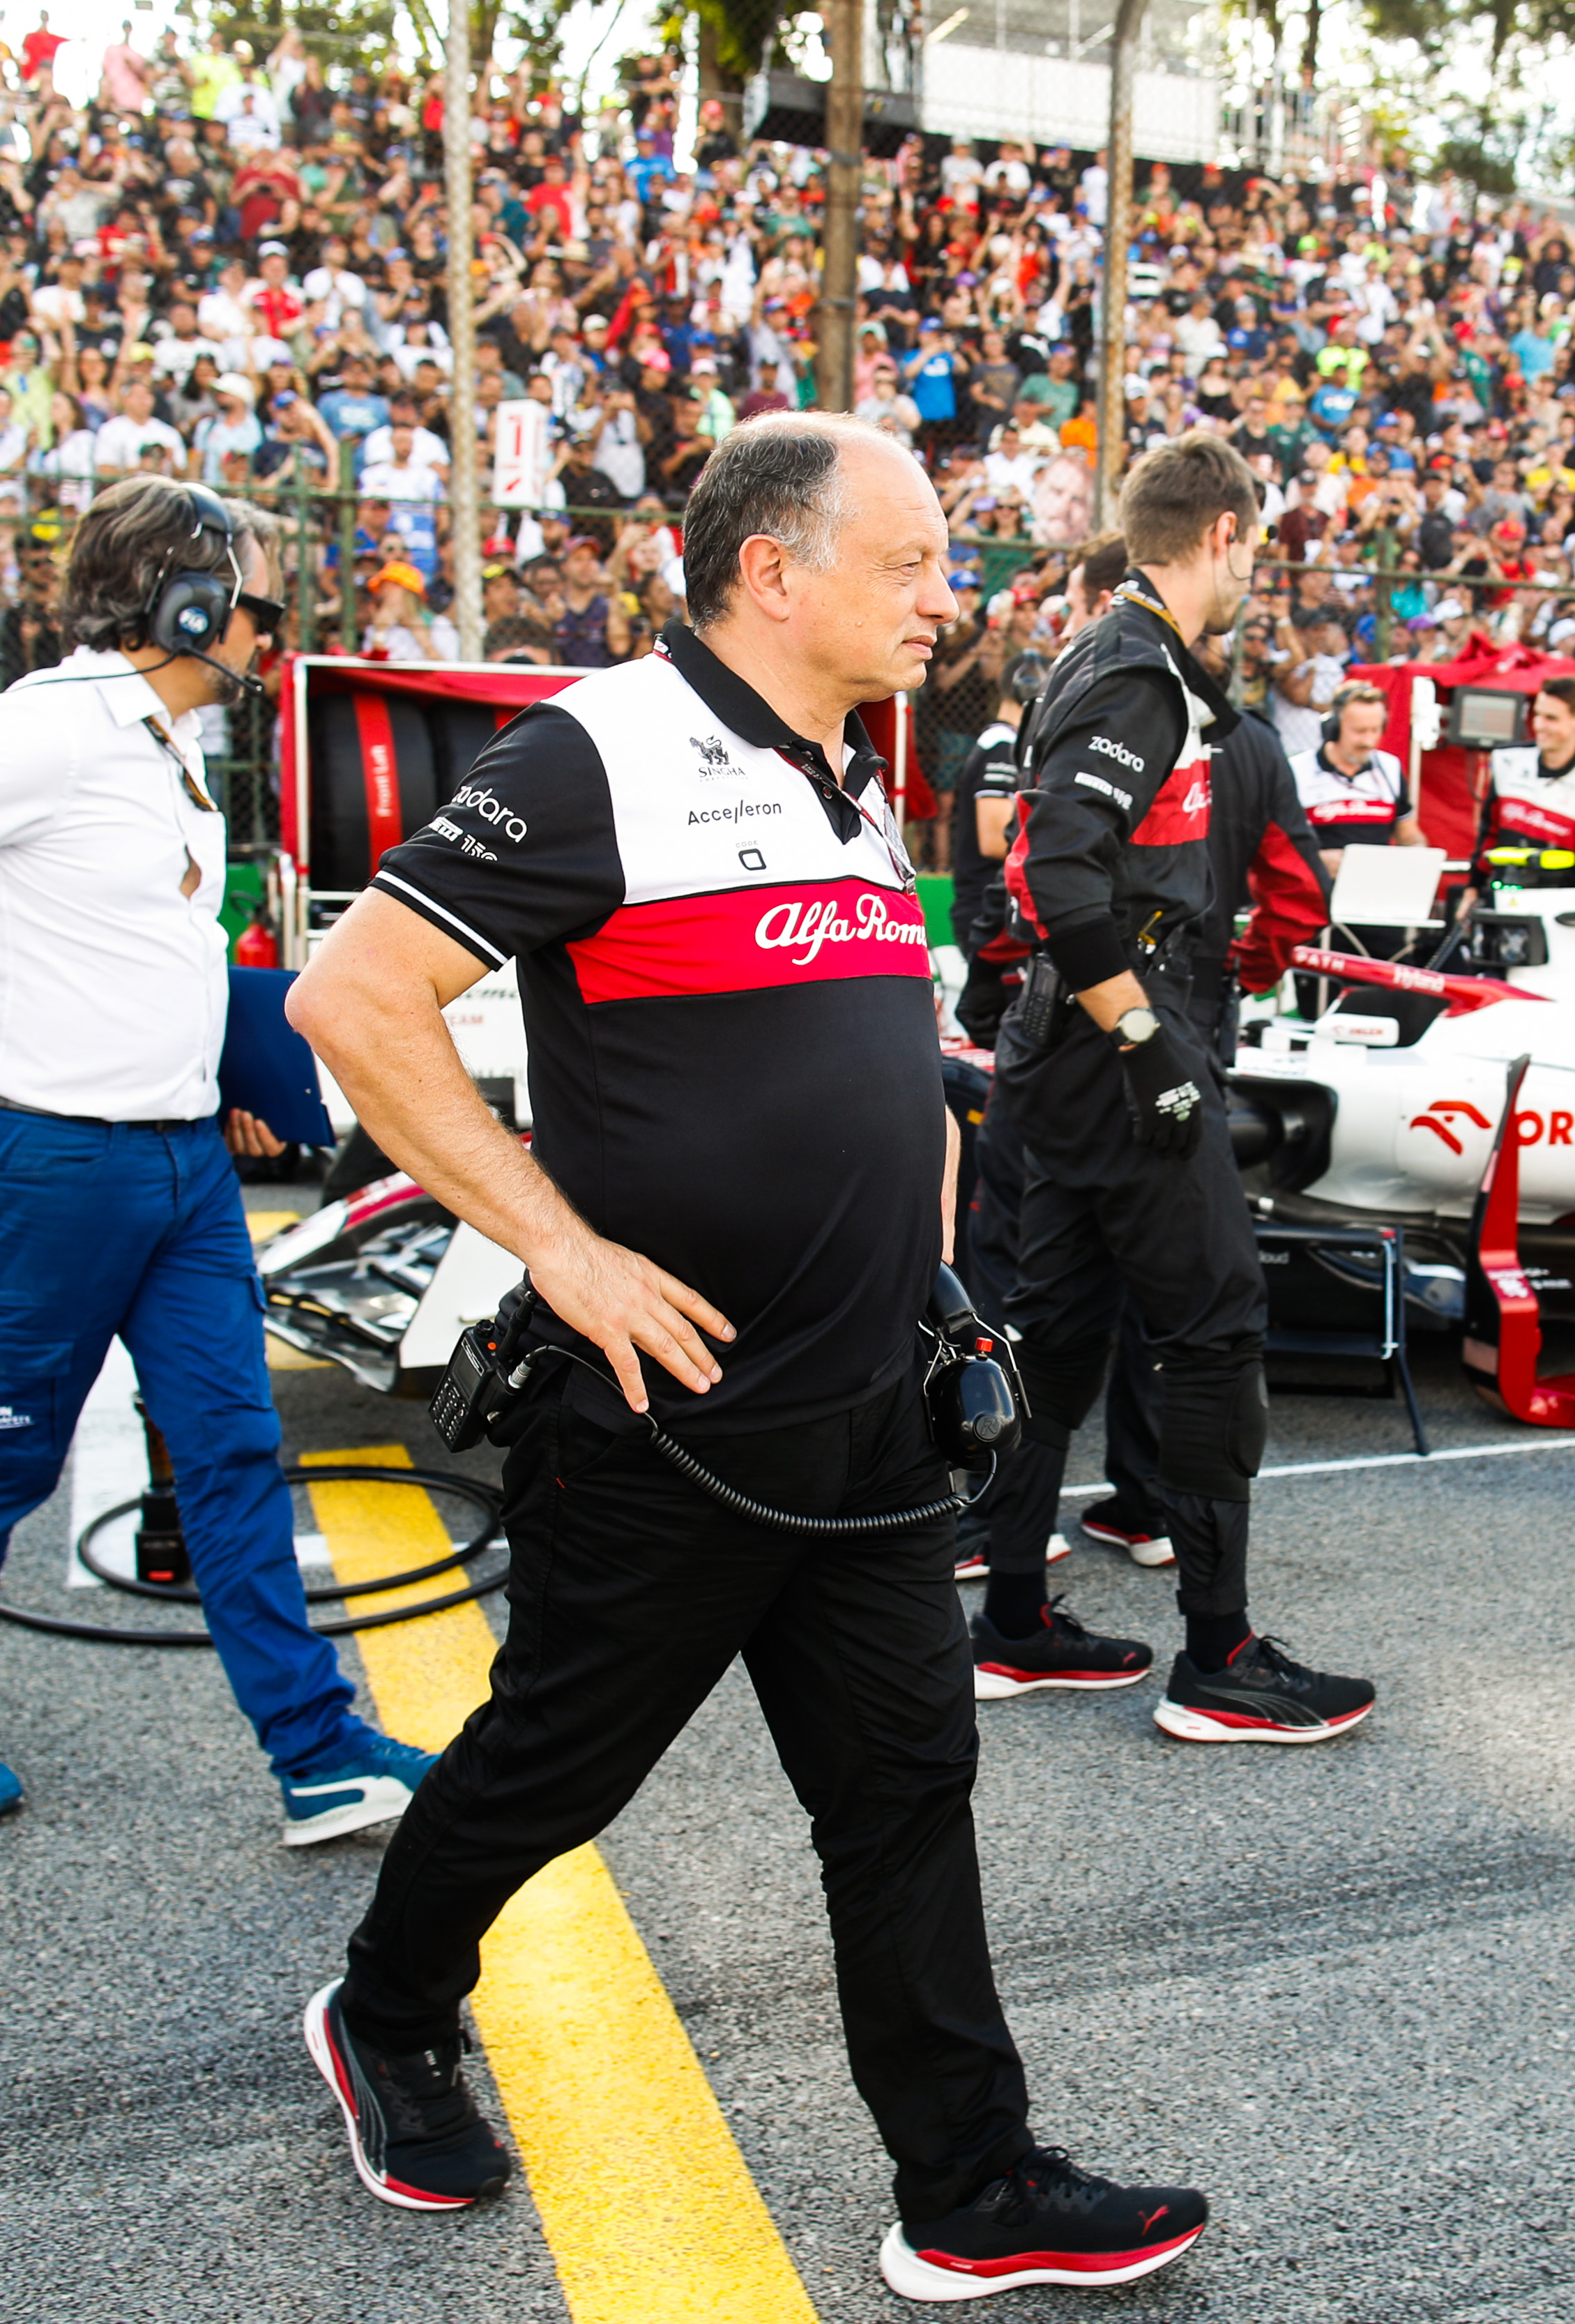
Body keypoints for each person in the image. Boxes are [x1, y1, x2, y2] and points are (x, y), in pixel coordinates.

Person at [282, 415, 1209, 2294]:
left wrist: (941, 1278)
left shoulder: (848, 781)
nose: (948, 598)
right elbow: (352, 998)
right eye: (911, 563)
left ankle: (969, 2181)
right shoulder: (597, 748)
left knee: (907, 1782)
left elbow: (889, 1074)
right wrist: (556, 1245)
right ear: (773, 572)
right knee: (555, 1765)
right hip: (670, 1421)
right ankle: (384, 2005)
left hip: (867, 1409)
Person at [0, 478, 432, 1837]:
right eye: (249, 598)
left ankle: (316, 1751)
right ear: (183, 602)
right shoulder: (47, 734)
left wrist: (220, 1074)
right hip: (47, 1174)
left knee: (234, 1455)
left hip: (181, 1168)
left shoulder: (163, 740)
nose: (265, 625)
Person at [971, 429, 1376, 1743]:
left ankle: (1019, 1618)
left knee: (1059, 1330)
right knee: (1213, 1328)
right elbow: (1059, 872)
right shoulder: (1137, 670)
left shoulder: (1123, 658)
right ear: (1225, 535)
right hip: (1117, 1044)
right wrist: (1151, 1046)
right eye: (1256, 542)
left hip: (1070, 1045)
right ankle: (1221, 1656)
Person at [946, 648, 1046, 1050]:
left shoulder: (1004, 744)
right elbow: (993, 839)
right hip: (987, 912)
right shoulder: (1001, 748)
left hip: (995, 909)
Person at [1473, 673, 1575, 889]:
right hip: (1499, 899)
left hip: (1558, 911)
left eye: (1551, 718)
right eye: (1537, 715)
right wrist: (1473, 888)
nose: (1539, 725)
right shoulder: (1507, 760)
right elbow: (1489, 833)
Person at [1293, 678, 1414, 860]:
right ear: (1334, 728)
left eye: (1375, 730)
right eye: (1359, 731)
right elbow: (1279, 841)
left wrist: (1418, 852)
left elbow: (1408, 834)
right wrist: (1316, 861)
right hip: (1321, 884)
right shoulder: (1299, 770)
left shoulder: (1389, 768)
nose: (1368, 741)